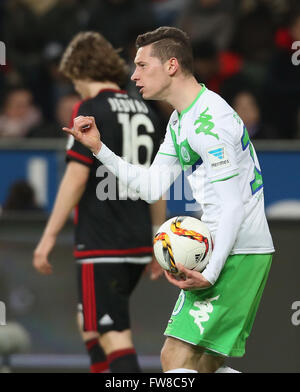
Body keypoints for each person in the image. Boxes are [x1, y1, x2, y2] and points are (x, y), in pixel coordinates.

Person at [63, 26, 275, 373]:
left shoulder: (210, 123)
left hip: (237, 251)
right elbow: (150, 187)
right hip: (232, 247)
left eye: (142, 65)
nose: (134, 75)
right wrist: (99, 149)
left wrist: (212, 271)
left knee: (174, 358)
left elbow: (234, 204)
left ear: (172, 65)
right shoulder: (180, 120)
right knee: (200, 366)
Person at [33, 31, 166, 373]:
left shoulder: (89, 109)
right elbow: (158, 185)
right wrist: (157, 239)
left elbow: (76, 177)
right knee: (89, 322)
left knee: (112, 333)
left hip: (103, 240)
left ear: (78, 69)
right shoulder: (147, 111)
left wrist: (48, 237)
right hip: (137, 240)